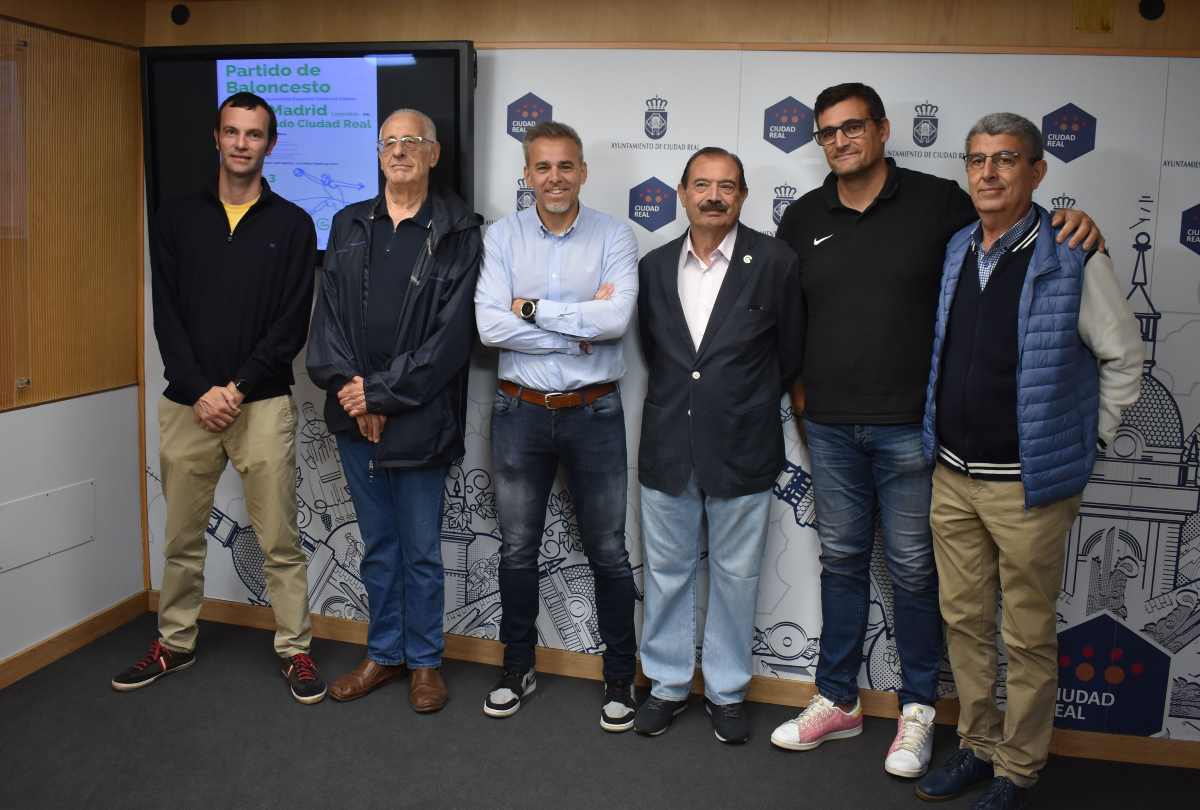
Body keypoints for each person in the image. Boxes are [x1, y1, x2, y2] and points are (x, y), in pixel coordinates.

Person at [772, 82, 1102, 777]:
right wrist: (801, 396)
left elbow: (1012, 228)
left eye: (852, 127)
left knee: (918, 572)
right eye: (827, 132)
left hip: (912, 434)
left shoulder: (940, 202)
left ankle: (918, 709)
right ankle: (837, 698)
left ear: (883, 130)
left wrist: (1081, 225)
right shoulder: (802, 218)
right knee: (840, 562)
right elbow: (789, 320)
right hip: (829, 427)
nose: (840, 141)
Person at [915, 113, 1142, 809]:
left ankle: (1018, 767)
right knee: (965, 624)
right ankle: (978, 747)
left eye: (1006, 159)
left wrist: (1089, 445)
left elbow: (1123, 359)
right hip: (952, 477)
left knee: (1028, 634)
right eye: (978, 159)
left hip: (1027, 489)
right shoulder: (958, 247)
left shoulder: (1074, 253)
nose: (989, 172)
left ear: (1037, 172)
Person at [113, 92, 324, 703]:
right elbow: (167, 315)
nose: (241, 144)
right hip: (187, 404)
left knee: (279, 538)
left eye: (253, 135)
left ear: (270, 144)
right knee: (181, 535)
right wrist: (202, 389)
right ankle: (174, 643)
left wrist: (232, 389)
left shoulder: (293, 223)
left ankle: (296, 651)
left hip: (260, 406)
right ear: (216, 137)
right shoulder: (176, 216)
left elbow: (289, 326)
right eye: (232, 132)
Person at [306, 108, 482, 713]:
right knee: (378, 546)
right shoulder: (349, 222)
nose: (400, 151)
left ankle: (426, 663)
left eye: (413, 141)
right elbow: (326, 322)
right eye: (390, 142)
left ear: (434, 154)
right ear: (378, 154)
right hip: (355, 418)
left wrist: (378, 393)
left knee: (421, 550)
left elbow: (450, 340)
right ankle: (384, 653)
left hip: (421, 418)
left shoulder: (460, 231)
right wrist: (355, 394)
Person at [633, 147, 804, 744]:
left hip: (743, 446)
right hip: (667, 444)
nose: (713, 196)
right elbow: (662, 355)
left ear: (743, 195)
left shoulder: (777, 261)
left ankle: (728, 691)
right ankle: (668, 684)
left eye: (726, 186)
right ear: (681, 193)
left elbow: (790, 356)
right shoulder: (653, 266)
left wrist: (734, 401)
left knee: (736, 576)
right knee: (668, 572)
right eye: (701, 185)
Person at [474, 121, 639, 730]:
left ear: (583, 171)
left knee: (609, 552)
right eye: (542, 167)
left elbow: (616, 320)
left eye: (566, 166)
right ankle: (516, 667)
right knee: (518, 551)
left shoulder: (614, 235)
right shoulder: (502, 236)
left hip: (595, 412)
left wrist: (533, 310)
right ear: (526, 174)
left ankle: (620, 677)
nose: (554, 178)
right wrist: (576, 328)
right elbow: (491, 329)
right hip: (520, 411)